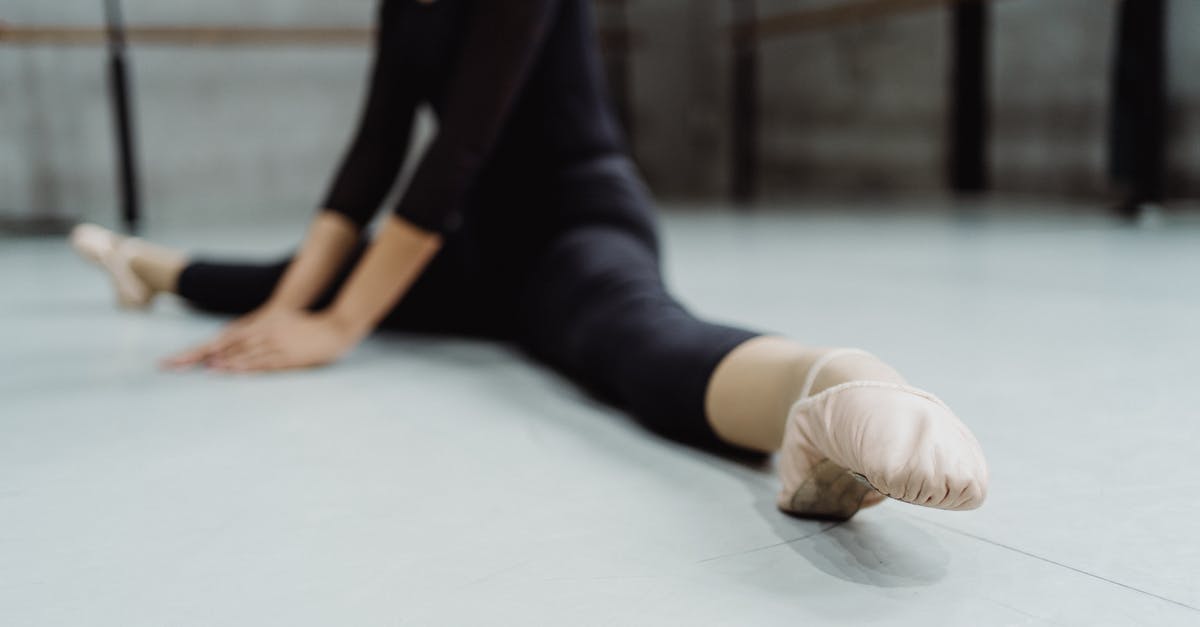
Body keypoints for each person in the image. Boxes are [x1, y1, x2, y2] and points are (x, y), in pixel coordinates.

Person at [70, 0, 988, 520]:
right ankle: (144, 264)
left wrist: (341, 323)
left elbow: (455, 149)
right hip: (476, 248)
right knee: (275, 280)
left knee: (631, 338)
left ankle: (835, 390)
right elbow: (371, 158)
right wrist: (295, 311)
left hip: (573, 224)